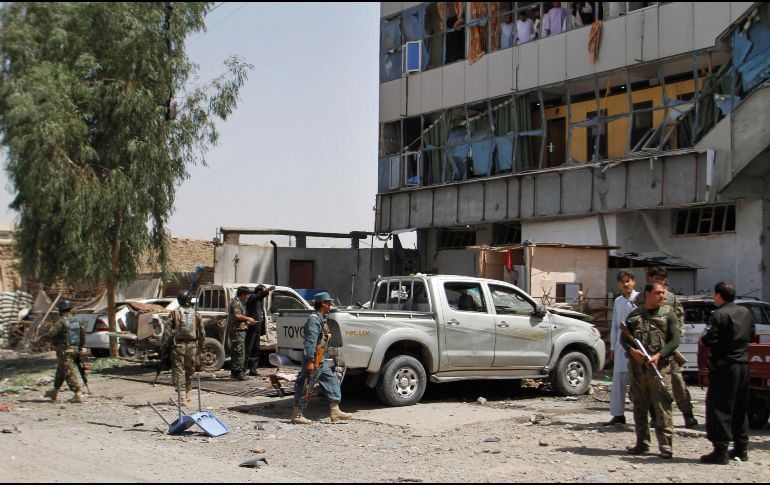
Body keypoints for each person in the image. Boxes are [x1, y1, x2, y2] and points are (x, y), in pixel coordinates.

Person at [622, 281, 679, 459]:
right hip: (638, 370)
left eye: (663, 293)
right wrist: (632, 351)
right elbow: (624, 339)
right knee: (639, 407)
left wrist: (659, 355)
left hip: (659, 369)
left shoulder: (669, 315)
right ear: (647, 294)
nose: (661, 296)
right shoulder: (634, 316)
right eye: (657, 293)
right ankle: (642, 443)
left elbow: (674, 341)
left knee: (663, 407)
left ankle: (666, 446)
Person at [635, 266, 698, 429]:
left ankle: (688, 415)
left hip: (668, 349)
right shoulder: (641, 298)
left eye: (662, 281)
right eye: (656, 280)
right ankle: (655, 416)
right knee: (650, 384)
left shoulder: (670, 298)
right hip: (648, 348)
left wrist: (675, 336)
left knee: (677, 381)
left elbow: (679, 319)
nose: (659, 284)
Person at [700, 282, 755, 464]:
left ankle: (720, 450)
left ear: (718, 295)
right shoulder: (746, 312)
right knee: (740, 406)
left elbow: (708, 340)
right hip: (743, 365)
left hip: (725, 366)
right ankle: (741, 447)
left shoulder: (718, 315)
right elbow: (752, 334)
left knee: (719, 407)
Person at [291, 292, 352, 425]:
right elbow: (310, 342)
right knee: (306, 386)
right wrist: (310, 361)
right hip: (314, 359)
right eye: (329, 303)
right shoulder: (313, 320)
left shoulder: (320, 319)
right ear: (323, 303)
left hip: (320, 359)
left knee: (331, 381)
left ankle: (335, 412)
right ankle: (297, 414)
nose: (330, 305)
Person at [604, 270, 638, 426]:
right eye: (623, 281)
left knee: (639, 381)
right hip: (620, 346)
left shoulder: (639, 299)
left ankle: (646, 416)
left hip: (637, 345)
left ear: (634, 282)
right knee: (618, 380)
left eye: (628, 280)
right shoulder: (618, 301)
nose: (626, 284)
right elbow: (615, 325)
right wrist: (612, 347)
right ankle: (618, 414)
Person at [164, 290, 205, 406]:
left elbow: (167, 331)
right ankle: (186, 394)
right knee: (189, 370)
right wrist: (201, 347)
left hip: (178, 346)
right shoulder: (197, 314)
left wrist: (164, 347)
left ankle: (182, 396)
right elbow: (202, 332)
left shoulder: (174, 313)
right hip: (192, 346)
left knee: (179, 370)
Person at [43, 299, 86, 404]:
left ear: (60, 310)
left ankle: (78, 394)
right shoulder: (77, 321)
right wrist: (79, 347)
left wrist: (41, 338)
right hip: (74, 350)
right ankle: (54, 392)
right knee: (61, 371)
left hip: (64, 351)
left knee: (68, 372)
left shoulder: (61, 321)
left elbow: (50, 334)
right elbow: (83, 336)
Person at [244, 284, 276, 376]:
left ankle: (253, 370)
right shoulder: (254, 297)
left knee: (255, 349)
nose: (266, 295)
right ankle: (243, 369)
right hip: (252, 328)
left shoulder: (259, 301)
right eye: (264, 292)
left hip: (257, 328)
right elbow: (261, 295)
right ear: (259, 291)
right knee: (249, 348)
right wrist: (269, 289)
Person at [228, 286, 257, 381]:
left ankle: (235, 373)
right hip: (237, 330)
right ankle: (238, 373)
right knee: (238, 352)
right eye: (247, 295)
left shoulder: (239, 303)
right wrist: (248, 318)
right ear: (243, 295)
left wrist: (246, 322)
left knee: (239, 351)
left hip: (240, 329)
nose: (248, 297)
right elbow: (237, 315)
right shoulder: (235, 302)